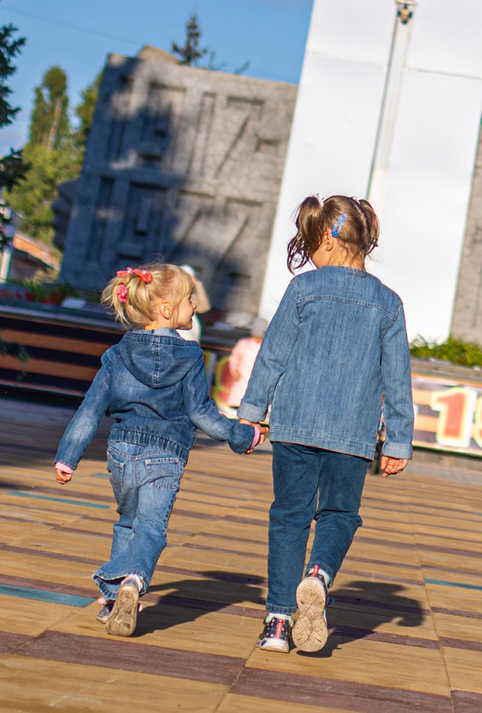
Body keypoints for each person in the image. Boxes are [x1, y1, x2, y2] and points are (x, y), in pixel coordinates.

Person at [236, 193, 412, 655]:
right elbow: (397, 378)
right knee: (339, 515)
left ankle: (277, 623)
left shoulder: (302, 290)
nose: (310, 252)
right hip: (352, 434)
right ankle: (319, 574)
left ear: (329, 243)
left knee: (289, 518)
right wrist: (398, 441)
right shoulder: (388, 303)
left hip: (294, 426)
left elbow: (272, 356)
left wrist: (252, 412)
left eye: (311, 242)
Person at [52, 263, 263, 636]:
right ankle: (134, 580)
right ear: (166, 309)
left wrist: (67, 456)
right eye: (189, 299)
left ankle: (114, 599)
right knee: (151, 528)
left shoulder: (116, 354)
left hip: (121, 452)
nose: (195, 305)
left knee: (127, 521)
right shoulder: (190, 356)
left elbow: (90, 410)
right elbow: (201, 414)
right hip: (165, 455)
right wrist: (243, 436)